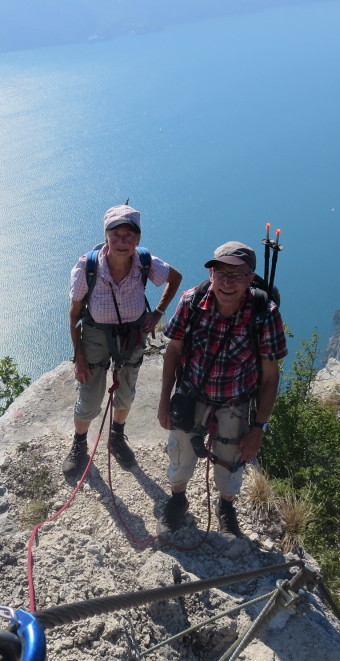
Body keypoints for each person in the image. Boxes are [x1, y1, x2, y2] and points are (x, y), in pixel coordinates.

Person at [157, 241, 287, 536]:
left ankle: (226, 506)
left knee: (231, 464)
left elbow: (269, 377)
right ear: (211, 274)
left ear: (251, 279)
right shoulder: (192, 301)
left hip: (235, 405)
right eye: (221, 272)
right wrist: (164, 399)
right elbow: (174, 351)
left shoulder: (264, 314)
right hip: (190, 395)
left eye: (238, 274)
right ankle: (178, 501)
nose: (228, 281)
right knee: (179, 456)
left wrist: (258, 429)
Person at [63, 204, 182, 474]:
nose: (122, 242)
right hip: (95, 334)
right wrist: (79, 356)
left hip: (132, 334)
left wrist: (159, 312)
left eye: (129, 235)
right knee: (90, 398)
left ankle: (117, 437)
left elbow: (175, 278)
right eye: (116, 234)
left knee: (125, 393)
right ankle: (79, 443)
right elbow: (74, 314)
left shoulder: (145, 262)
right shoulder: (87, 267)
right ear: (105, 236)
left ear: (138, 239)